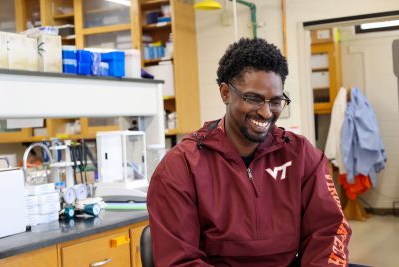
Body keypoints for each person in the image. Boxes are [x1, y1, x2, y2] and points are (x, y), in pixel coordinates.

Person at [147, 38, 351, 267]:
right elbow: (179, 261)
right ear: (225, 93)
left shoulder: (302, 156)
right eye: (253, 98)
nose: (265, 112)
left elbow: (330, 231)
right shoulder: (181, 166)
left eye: (275, 102)